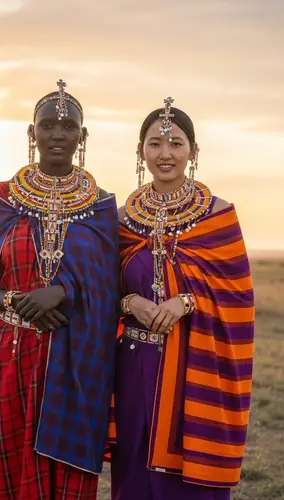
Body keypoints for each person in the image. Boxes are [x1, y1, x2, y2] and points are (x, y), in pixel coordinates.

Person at [0, 80, 120, 499]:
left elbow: (106, 287)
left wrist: (61, 292)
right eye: (48, 126)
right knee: (14, 468)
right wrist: (21, 301)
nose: (57, 135)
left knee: (68, 477)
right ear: (32, 133)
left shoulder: (100, 206)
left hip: (76, 362)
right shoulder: (5, 199)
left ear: (82, 137)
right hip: (10, 355)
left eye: (68, 128)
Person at [108, 97, 255, 500]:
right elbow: (104, 292)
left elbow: (237, 298)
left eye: (176, 144)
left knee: (188, 483)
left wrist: (185, 303)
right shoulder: (121, 219)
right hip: (135, 367)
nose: (165, 154)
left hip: (196, 366)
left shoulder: (218, 217)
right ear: (141, 150)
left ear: (193, 150)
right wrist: (130, 303)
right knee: (134, 475)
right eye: (155, 143)